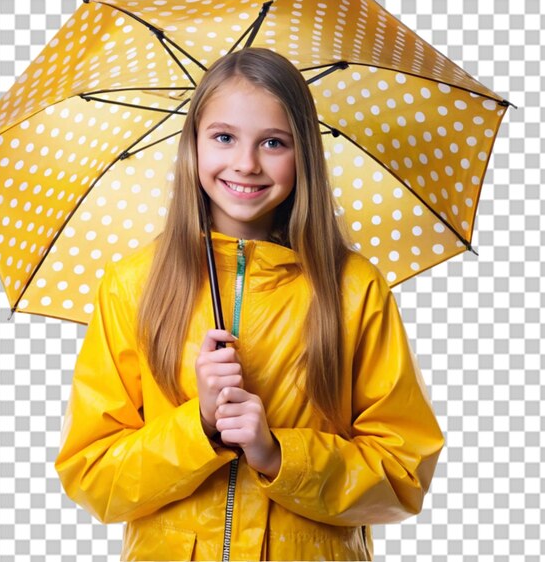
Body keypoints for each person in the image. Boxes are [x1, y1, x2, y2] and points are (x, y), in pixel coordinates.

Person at [55, 48, 445, 561]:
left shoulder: (353, 289)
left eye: (273, 142)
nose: (246, 163)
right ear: (192, 145)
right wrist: (199, 426)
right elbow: (93, 476)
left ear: (303, 151)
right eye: (223, 137)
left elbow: (402, 474)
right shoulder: (134, 286)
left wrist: (277, 453)